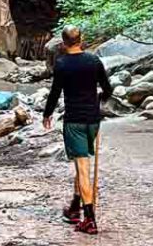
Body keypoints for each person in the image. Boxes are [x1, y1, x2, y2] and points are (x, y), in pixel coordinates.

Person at [42, 25, 111, 235]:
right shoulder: (94, 61)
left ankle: (89, 219)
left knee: (82, 168)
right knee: (81, 165)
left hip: (74, 122)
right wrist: (99, 99)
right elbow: (107, 89)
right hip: (93, 121)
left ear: (63, 44)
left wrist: (47, 114)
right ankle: (74, 207)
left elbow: (55, 92)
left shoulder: (62, 64)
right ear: (82, 40)